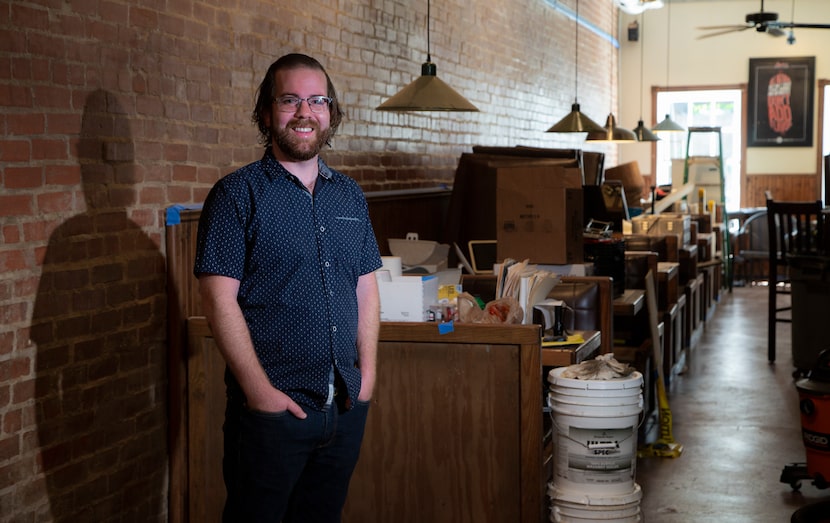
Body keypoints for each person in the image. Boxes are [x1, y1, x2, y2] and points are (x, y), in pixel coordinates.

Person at [194, 53, 382, 523]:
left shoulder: (350, 195)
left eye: (317, 100)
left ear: (331, 113)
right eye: (290, 100)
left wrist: (368, 379)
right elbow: (219, 301)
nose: (305, 112)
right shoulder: (237, 194)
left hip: (343, 409)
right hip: (270, 417)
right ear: (266, 112)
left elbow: (365, 289)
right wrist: (260, 394)